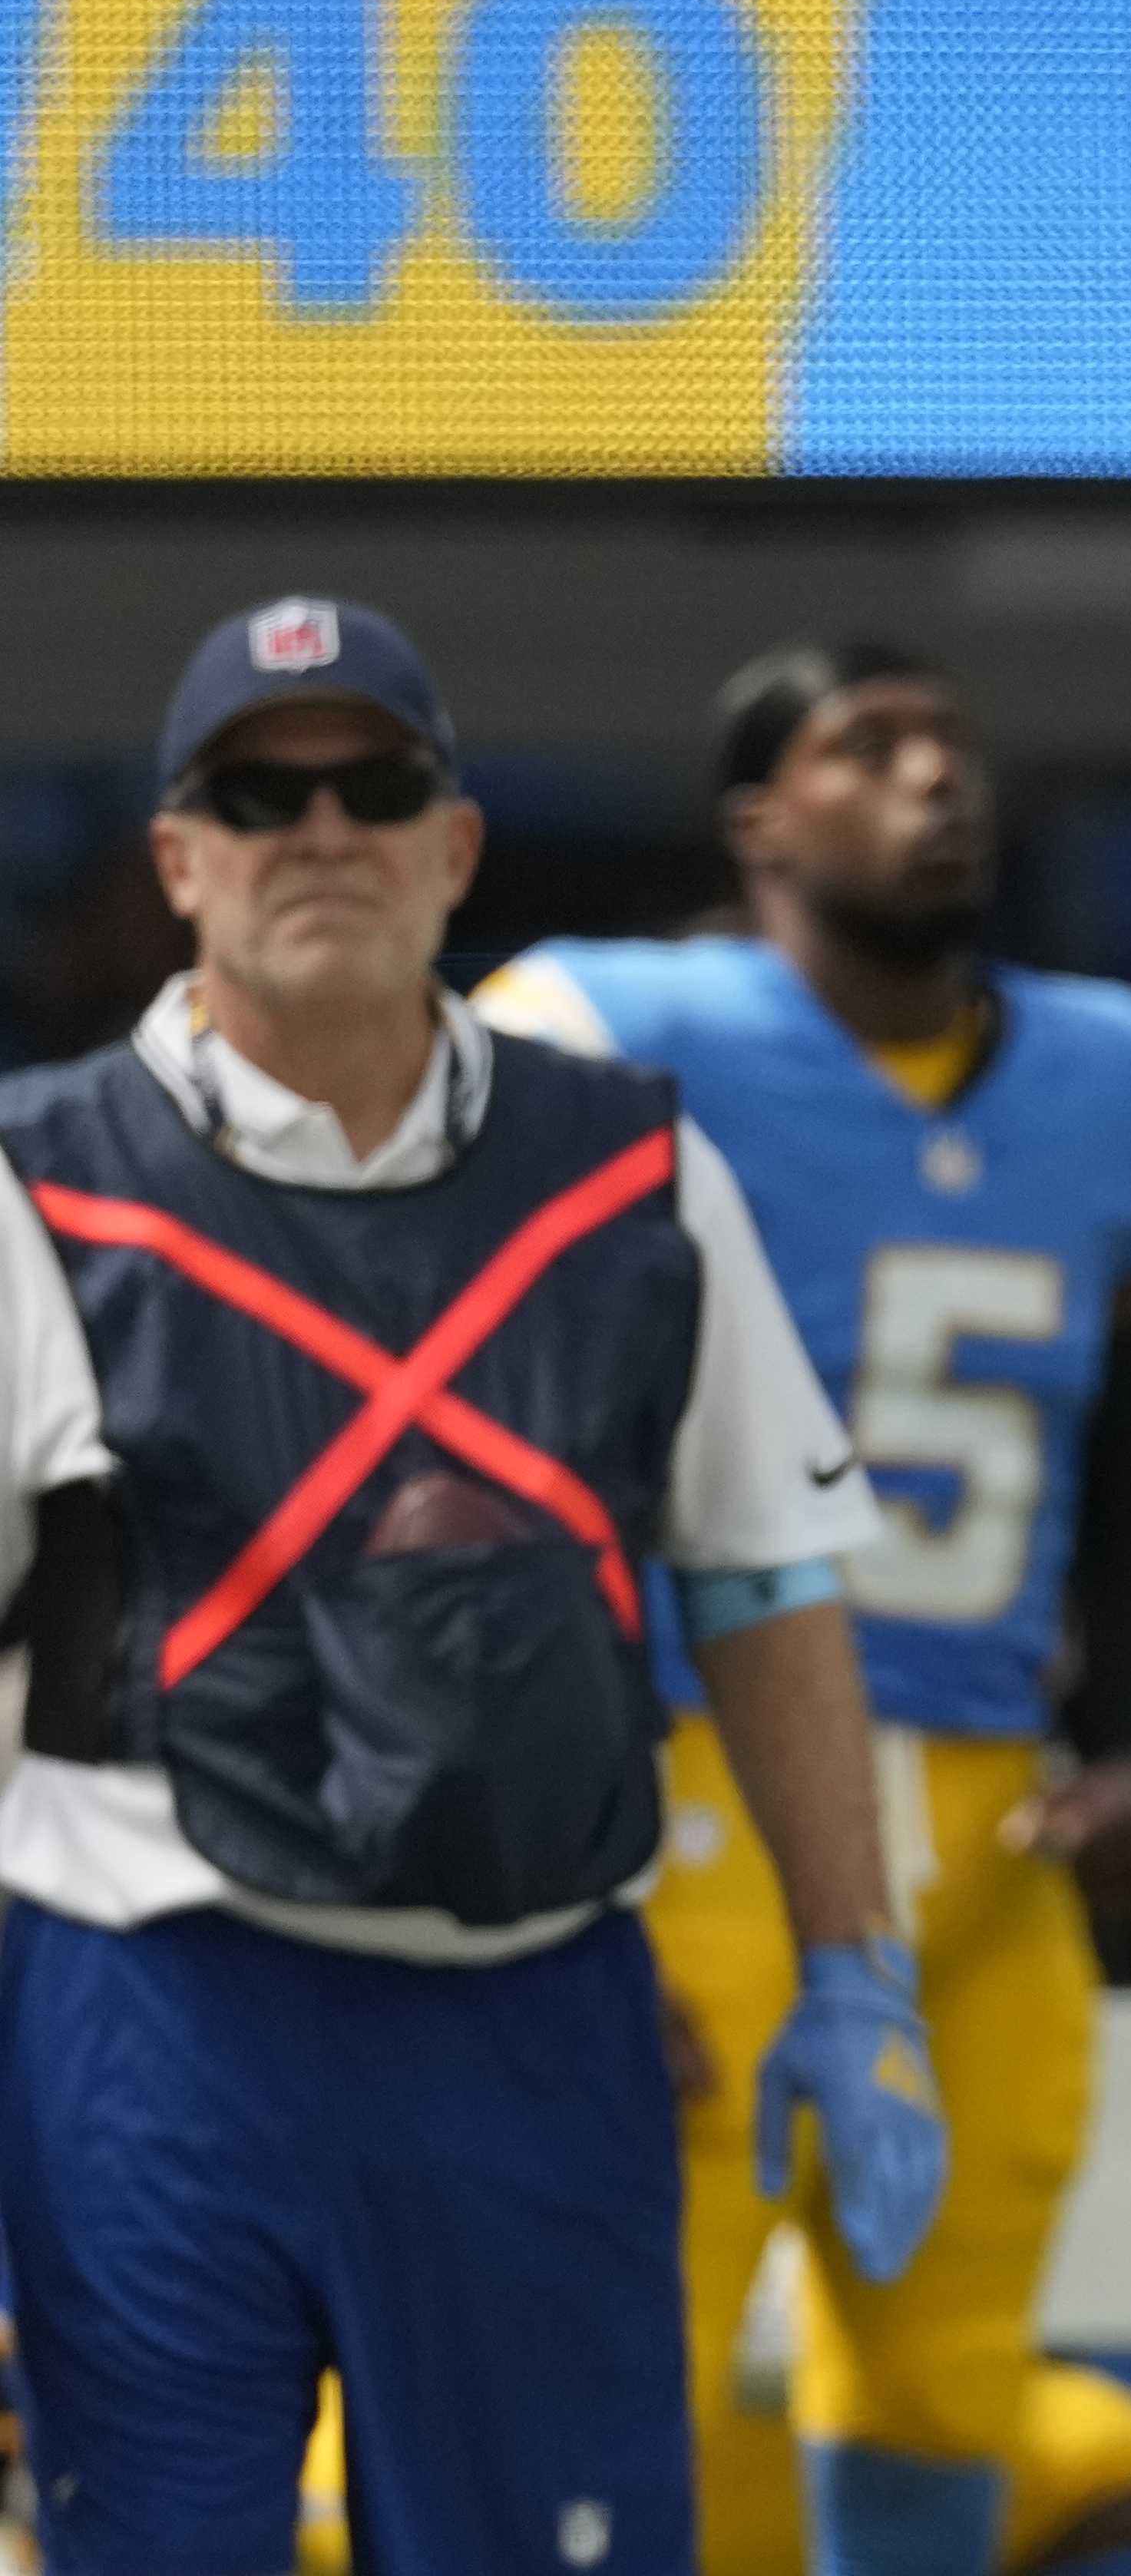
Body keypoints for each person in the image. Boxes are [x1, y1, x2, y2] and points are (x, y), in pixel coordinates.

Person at [0, 595, 936, 2575]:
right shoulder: (31, 1180)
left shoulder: (633, 1168)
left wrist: (858, 1971)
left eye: (378, 785)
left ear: (456, 844)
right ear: (178, 860)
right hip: (145, 2010)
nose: (319, 831)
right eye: (260, 791)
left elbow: (766, 1572)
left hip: (539, 2018)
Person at [476, 643, 1131, 2576]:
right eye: (865, 747)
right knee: (613, 2346)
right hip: (692, 1780)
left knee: (955, 2362)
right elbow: (488, 1458)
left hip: (978, 1808)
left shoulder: (1115, 1072)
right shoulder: (607, 1033)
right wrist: (561, 1858)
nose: (932, 776)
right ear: (756, 821)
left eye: (955, 741)